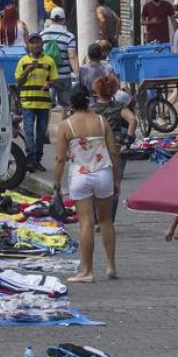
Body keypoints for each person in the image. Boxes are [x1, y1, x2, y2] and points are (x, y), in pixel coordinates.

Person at [53, 85, 121, 283]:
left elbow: (59, 158)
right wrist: (116, 179)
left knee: (86, 223)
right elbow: (114, 152)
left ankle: (88, 271)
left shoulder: (66, 125)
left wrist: (56, 184)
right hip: (103, 173)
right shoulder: (101, 121)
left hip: (80, 176)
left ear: (72, 103)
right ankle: (111, 265)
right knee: (106, 220)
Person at [92, 75, 137, 219]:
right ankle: (109, 219)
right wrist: (128, 139)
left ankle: (98, 217)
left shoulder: (92, 109)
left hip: (96, 151)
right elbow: (133, 120)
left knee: (95, 184)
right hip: (117, 148)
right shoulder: (119, 107)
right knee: (114, 185)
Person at [15, 33, 58, 173]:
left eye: (37, 42)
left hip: (43, 103)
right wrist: (28, 70)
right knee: (28, 132)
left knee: (41, 133)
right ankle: (30, 159)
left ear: (41, 44)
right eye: (32, 43)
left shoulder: (49, 61)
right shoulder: (23, 61)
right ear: (28, 45)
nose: (35, 45)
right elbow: (18, 81)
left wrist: (49, 83)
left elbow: (54, 80)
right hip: (27, 101)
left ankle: (37, 159)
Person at [40, 6, 76, 115]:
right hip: (64, 75)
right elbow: (72, 56)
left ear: (50, 19)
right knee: (66, 105)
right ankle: (64, 127)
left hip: (47, 75)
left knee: (46, 105)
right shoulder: (69, 36)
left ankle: (45, 129)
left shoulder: (42, 35)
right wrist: (77, 73)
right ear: (63, 20)